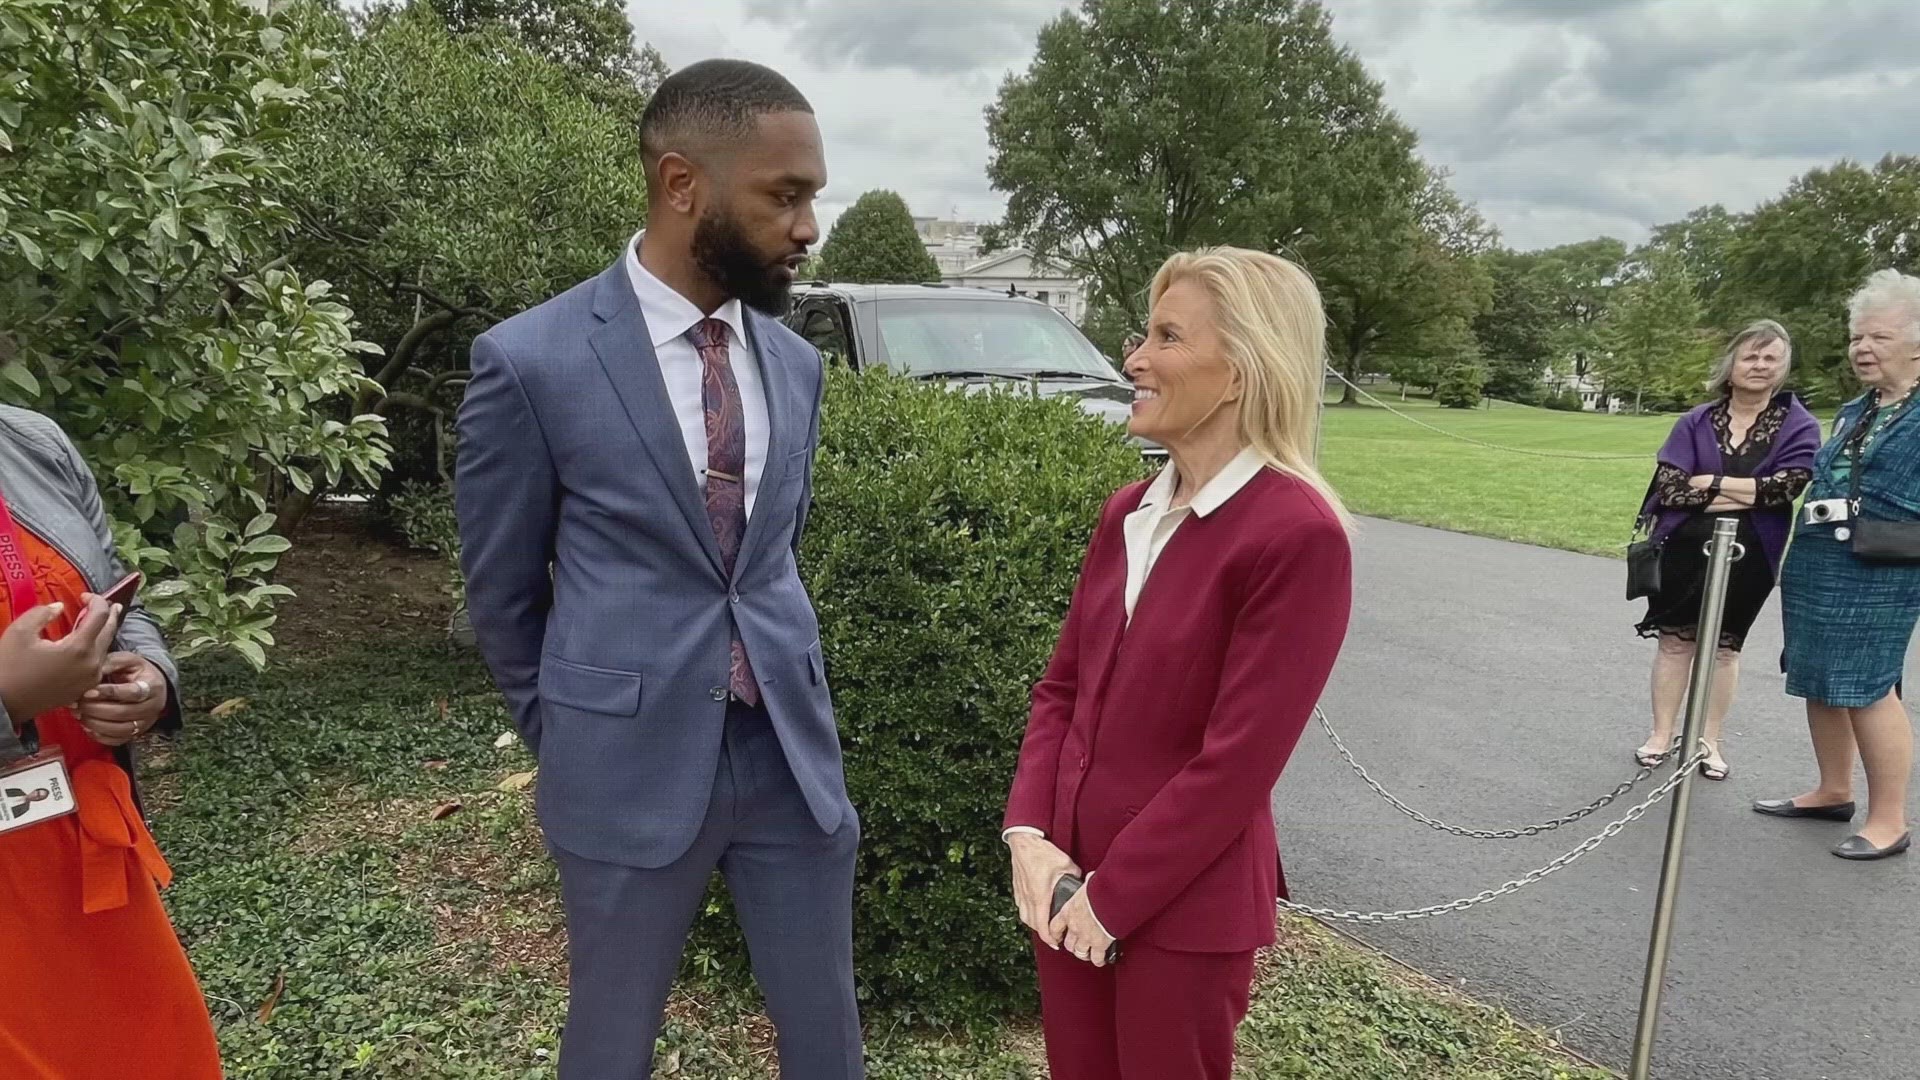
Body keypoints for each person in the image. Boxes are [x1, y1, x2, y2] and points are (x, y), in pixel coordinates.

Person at [454, 60, 862, 1077]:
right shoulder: (531, 360)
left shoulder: (797, 365)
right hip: (621, 768)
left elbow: (769, 559)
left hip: (789, 760)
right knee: (610, 1041)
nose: (808, 225)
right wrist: (574, 728)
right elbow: (501, 593)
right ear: (684, 184)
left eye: (813, 195)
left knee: (827, 1040)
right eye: (786, 194)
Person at [1002, 247, 1353, 1079]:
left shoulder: (1297, 534)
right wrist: (1030, 837)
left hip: (1180, 912)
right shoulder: (1128, 510)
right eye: (1142, 334)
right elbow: (1063, 690)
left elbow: (1237, 764)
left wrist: (1111, 898)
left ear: (1239, 371)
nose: (1134, 359)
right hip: (1064, 884)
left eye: (1166, 337)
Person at [0, 389, 222, 1077]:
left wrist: (150, 678)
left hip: (88, 857)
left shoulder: (33, 444)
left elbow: (119, 603)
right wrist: (9, 698)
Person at [1757, 269, 1920, 861]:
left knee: (1869, 687)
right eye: (1857, 338)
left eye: (1877, 336)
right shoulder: (1857, 409)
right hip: (1822, 557)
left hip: (1884, 565)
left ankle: (1889, 821)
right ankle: (1831, 790)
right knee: (1819, 678)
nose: (1861, 348)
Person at [1632, 321, 1819, 779]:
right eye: (1749, 357)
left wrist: (1711, 482)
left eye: (1769, 357)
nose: (1759, 365)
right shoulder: (1694, 421)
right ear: (1731, 366)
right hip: (1683, 547)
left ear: (1782, 366)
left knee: (1723, 649)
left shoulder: (1799, 424)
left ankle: (1707, 740)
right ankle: (1660, 734)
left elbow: (1787, 488)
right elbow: (1672, 488)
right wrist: (1749, 490)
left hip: (1752, 550)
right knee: (1676, 643)